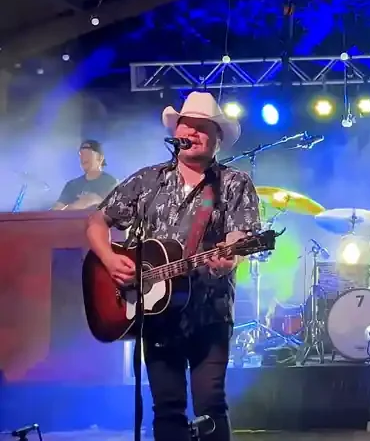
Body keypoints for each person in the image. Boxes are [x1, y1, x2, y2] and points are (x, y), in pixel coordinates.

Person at [84, 91, 260, 441]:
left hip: (209, 313)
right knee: (166, 408)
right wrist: (109, 258)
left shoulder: (233, 183)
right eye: (186, 125)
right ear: (175, 132)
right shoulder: (148, 181)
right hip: (156, 316)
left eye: (203, 127)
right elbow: (96, 222)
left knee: (211, 405)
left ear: (218, 138)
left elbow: (238, 236)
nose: (192, 132)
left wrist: (230, 258)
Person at [53, 140, 117, 210]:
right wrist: (76, 206)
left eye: (88, 153)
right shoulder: (71, 185)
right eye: (81, 154)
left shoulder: (111, 182)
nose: (83, 157)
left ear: (100, 158)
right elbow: (56, 211)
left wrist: (97, 200)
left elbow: (116, 210)